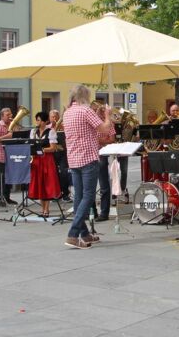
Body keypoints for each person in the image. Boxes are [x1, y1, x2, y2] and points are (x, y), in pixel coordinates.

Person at [63, 85, 113, 249]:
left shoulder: (67, 112)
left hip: (73, 158)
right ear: (85, 96)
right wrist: (107, 115)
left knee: (79, 196)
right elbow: (104, 129)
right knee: (88, 196)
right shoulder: (86, 110)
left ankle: (84, 234)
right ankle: (73, 234)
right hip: (88, 157)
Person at [28, 111, 61, 217]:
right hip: (37, 160)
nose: (37, 122)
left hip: (47, 160)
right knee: (40, 184)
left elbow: (53, 148)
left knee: (47, 183)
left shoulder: (50, 132)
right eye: (36, 119)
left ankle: (47, 209)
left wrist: (41, 149)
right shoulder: (33, 132)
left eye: (38, 120)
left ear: (44, 121)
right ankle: (42, 209)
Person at [92, 100, 117, 221]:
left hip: (102, 153)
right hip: (91, 153)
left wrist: (99, 142)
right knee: (89, 186)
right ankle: (92, 212)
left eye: (101, 109)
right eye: (96, 109)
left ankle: (104, 213)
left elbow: (112, 139)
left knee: (104, 185)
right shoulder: (91, 121)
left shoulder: (109, 123)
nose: (99, 111)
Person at [0, 108, 16, 206]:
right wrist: (6, 136)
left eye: (10, 114)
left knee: (9, 177)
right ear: (2, 116)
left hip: (10, 154)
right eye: (7, 115)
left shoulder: (12, 125)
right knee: (1, 178)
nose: (10, 116)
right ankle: (0, 198)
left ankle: (7, 197)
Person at [49, 109, 71, 202]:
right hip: (52, 153)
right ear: (49, 118)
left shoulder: (64, 126)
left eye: (56, 116)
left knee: (64, 173)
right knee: (53, 173)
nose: (54, 118)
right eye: (52, 117)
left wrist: (60, 124)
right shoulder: (47, 128)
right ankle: (55, 194)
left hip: (63, 154)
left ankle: (65, 193)